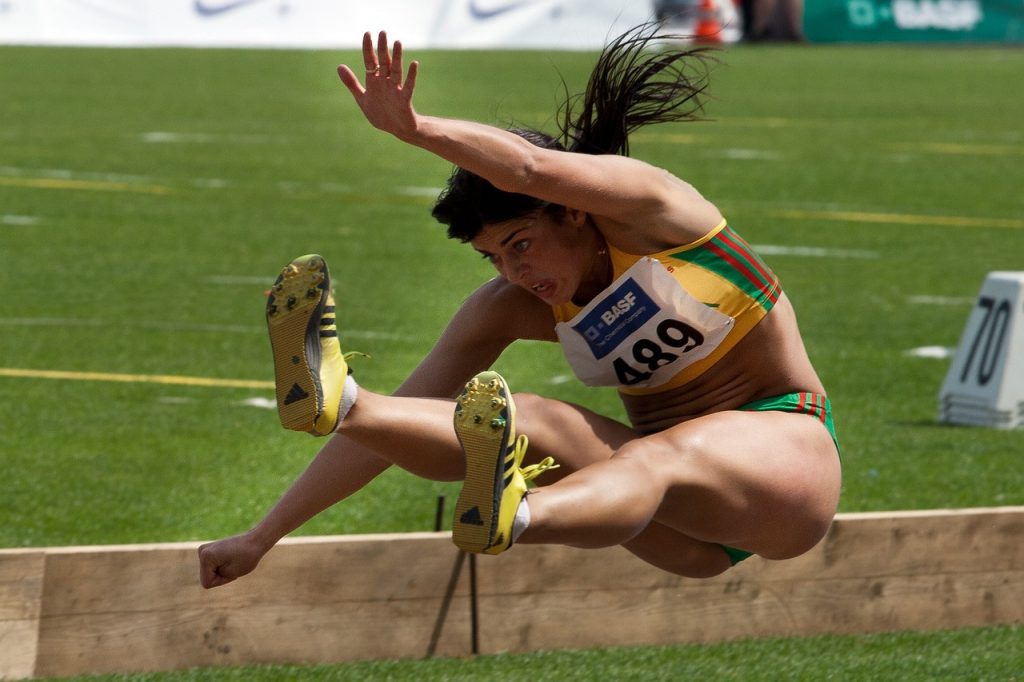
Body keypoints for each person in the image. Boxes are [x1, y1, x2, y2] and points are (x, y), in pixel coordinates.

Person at [198, 24, 841, 588]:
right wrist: (262, 536)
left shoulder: (658, 214)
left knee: (650, 454)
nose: (514, 272)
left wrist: (420, 131)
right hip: (672, 526)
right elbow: (399, 431)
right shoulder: (508, 307)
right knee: (524, 417)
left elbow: (530, 169)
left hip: (786, 469)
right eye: (494, 257)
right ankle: (345, 401)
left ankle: (520, 514)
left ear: (574, 211)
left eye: (521, 244)